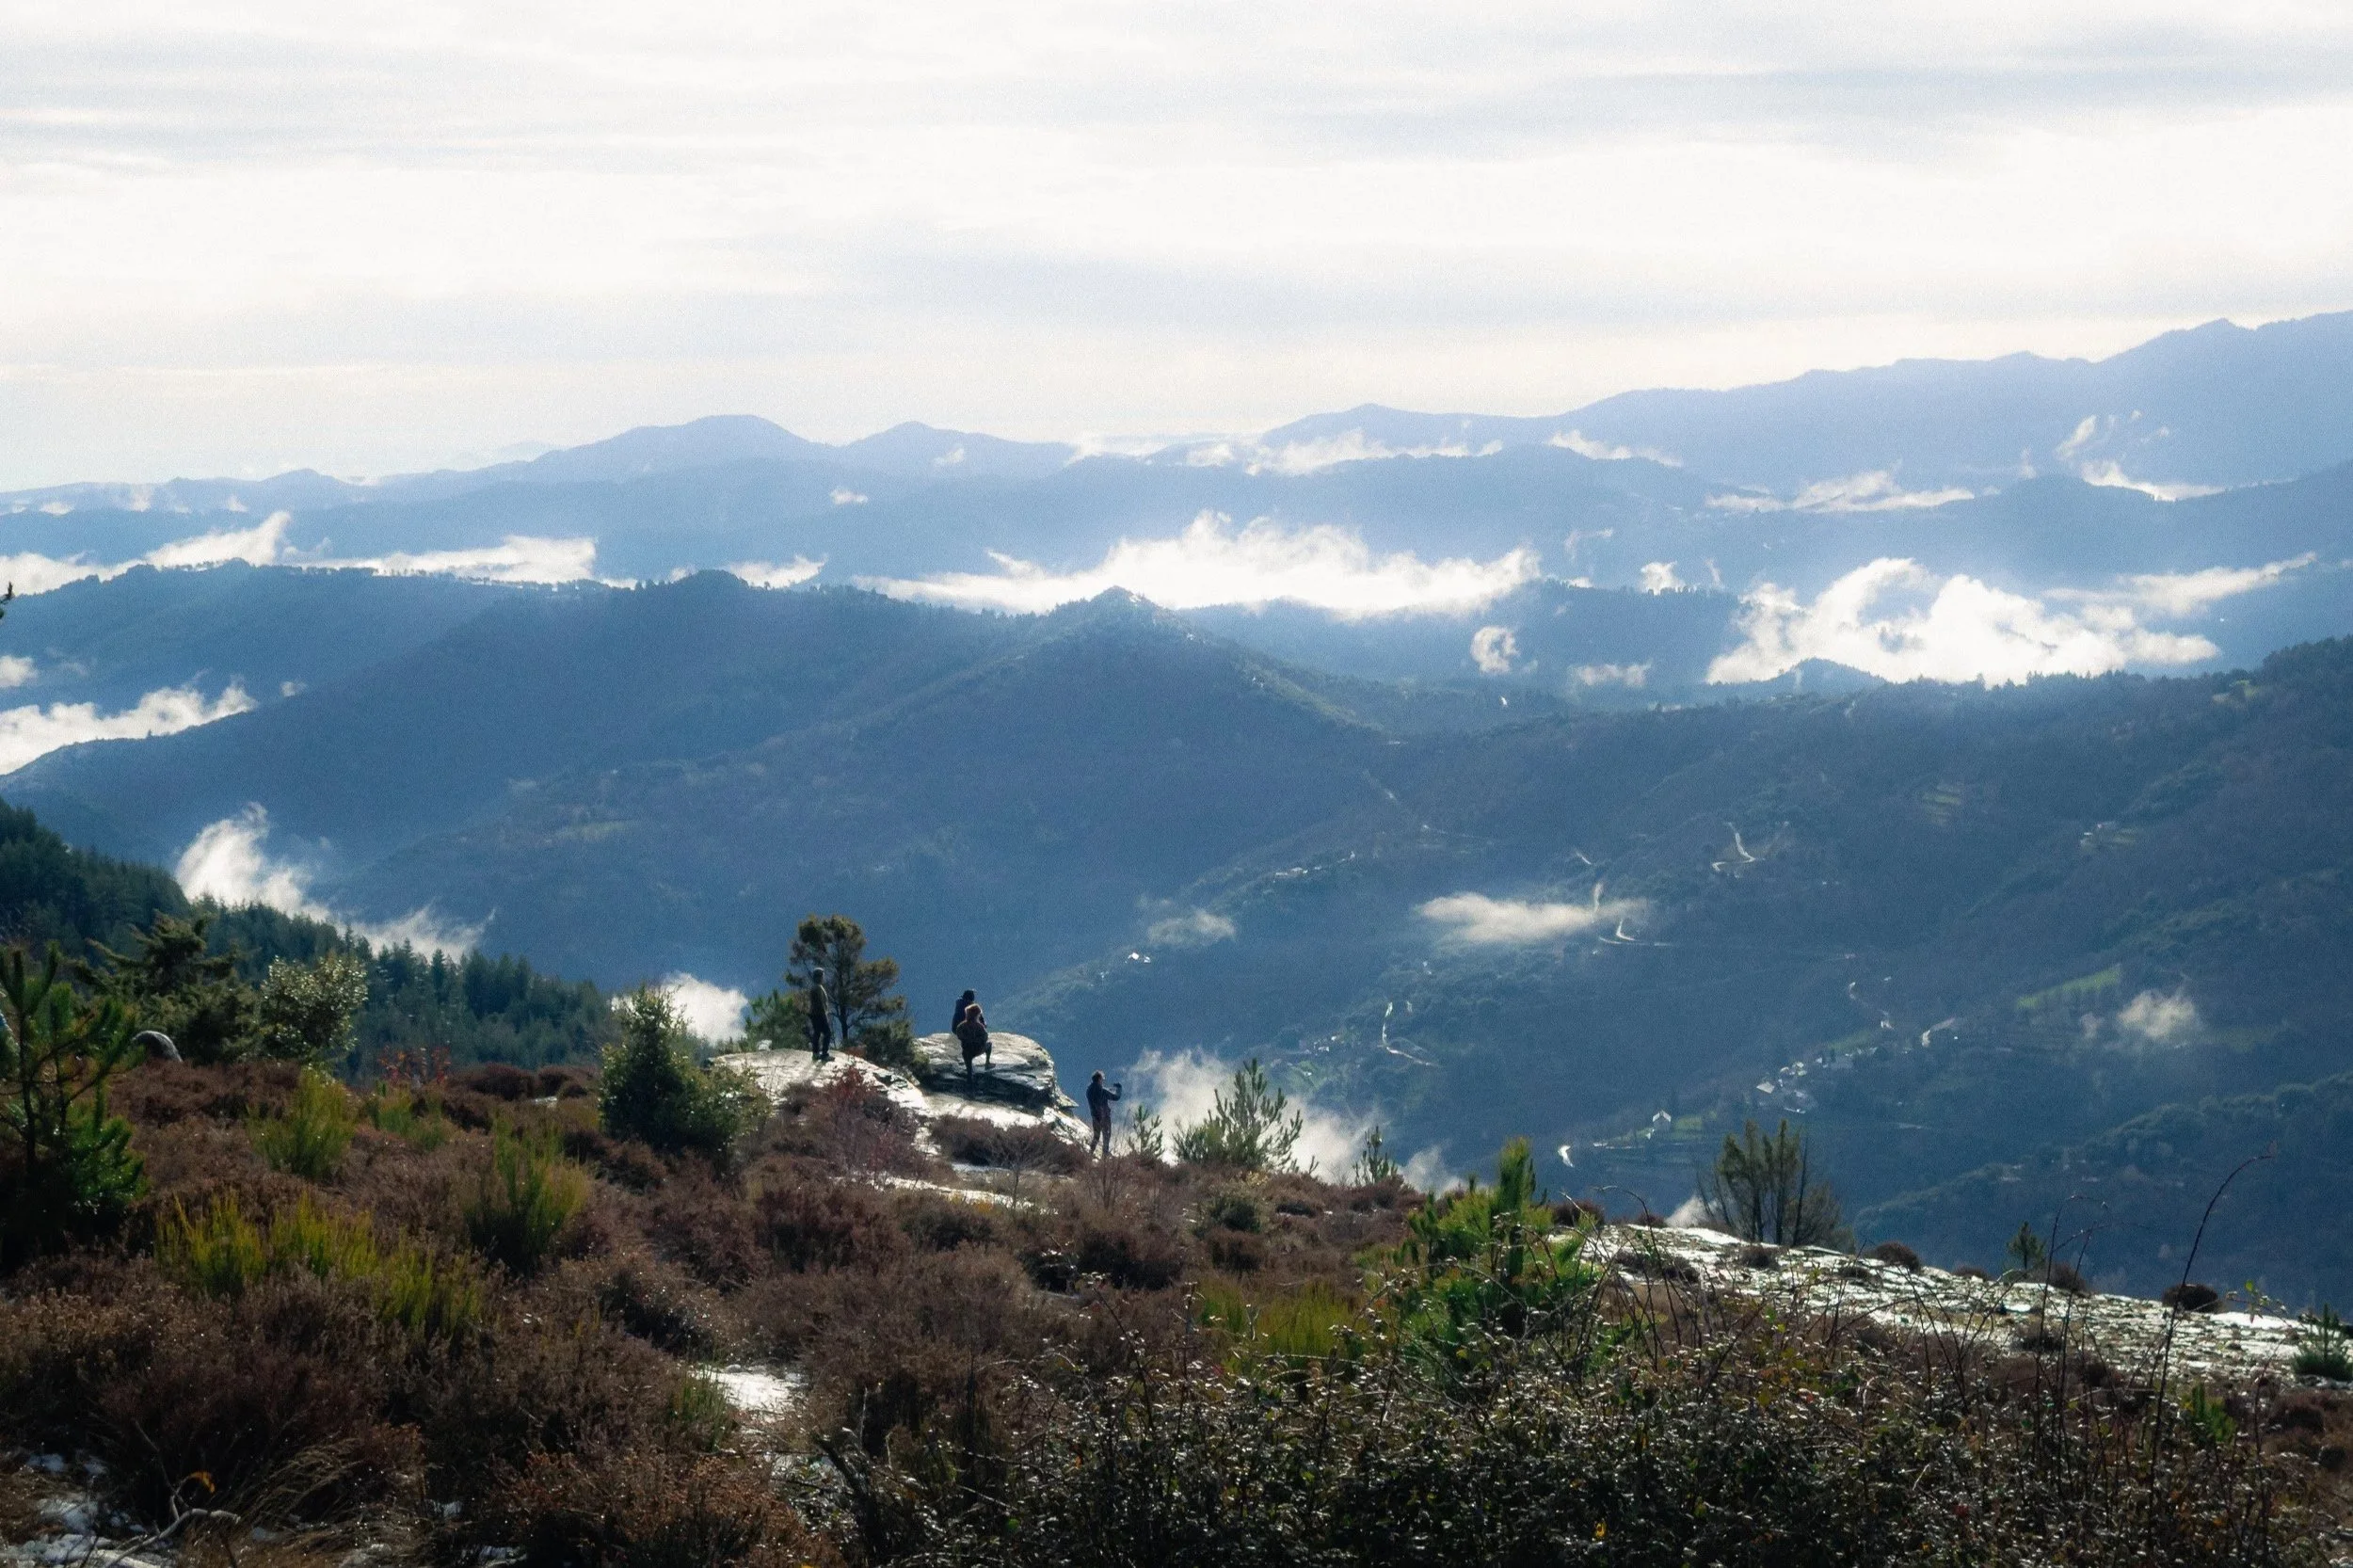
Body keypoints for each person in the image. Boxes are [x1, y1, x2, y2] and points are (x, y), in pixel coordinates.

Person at [952, 995, 990, 1082]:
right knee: (989, 1045)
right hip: (977, 1050)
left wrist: (967, 1040)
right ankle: (987, 1063)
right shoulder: (979, 1026)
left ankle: (969, 1084)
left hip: (966, 1052)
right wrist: (977, 1041)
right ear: (977, 1015)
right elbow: (985, 1037)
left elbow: (959, 1035)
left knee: (969, 1072)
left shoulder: (961, 1026)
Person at [1085, 1070, 1122, 1158]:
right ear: (1099, 1079)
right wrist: (1119, 1089)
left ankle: (1089, 1155)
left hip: (1095, 1117)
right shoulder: (1102, 1091)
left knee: (1096, 1137)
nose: (1103, 1081)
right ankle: (1104, 1160)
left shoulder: (1088, 1091)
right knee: (1106, 1138)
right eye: (1102, 1079)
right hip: (1104, 1117)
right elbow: (1116, 1097)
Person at [806, 970, 834, 1063]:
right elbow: (820, 1003)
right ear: (819, 977)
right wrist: (825, 1015)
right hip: (819, 1014)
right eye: (822, 976)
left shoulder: (814, 987)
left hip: (814, 1014)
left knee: (817, 1033)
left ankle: (815, 1054)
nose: (823, 978)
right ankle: (824, 1054)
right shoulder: (818, 988)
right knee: (827, 1033)